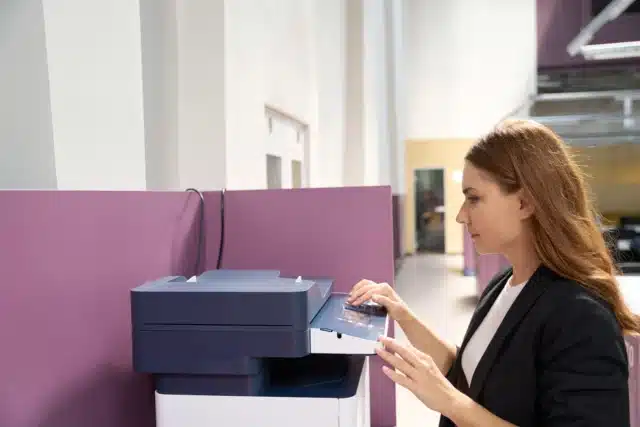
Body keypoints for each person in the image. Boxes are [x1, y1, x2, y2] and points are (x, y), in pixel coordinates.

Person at [347, 119, 637, 426]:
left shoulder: (580, 317)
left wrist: (451, 403)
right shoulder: (505, 283)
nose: (460, 215)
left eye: (474, 198)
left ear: (525, 202)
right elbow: (471, 371)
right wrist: (403, 314)